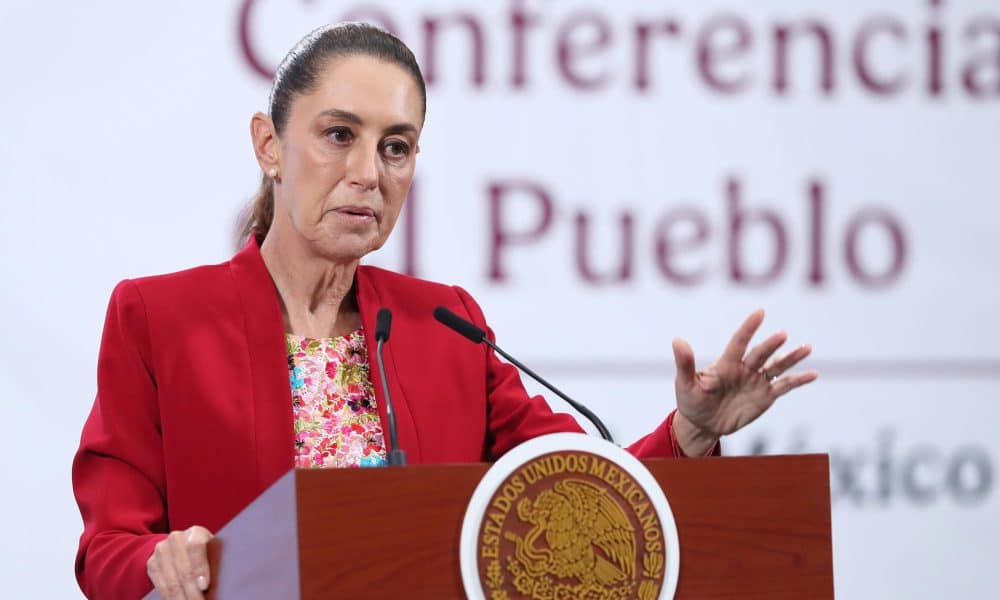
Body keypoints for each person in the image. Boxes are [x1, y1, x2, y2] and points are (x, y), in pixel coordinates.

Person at [72, 23, 817, 600]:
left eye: (396, 148)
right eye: (339, 136)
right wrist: (160, 560)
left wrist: (689, 432)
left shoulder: (443, 326)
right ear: (269, 144)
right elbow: (109, 548)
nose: (368, 173)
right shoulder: (159, 316)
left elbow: (577, 490)